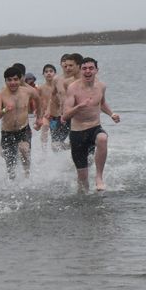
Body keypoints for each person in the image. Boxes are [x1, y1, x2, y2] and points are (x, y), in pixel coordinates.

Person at [61, 57, 120, 192]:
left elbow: (102, 103)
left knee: (102, 138)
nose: (88, 71)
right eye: (84, 68)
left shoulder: (101, 86)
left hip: (94, 127)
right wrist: (78, 107)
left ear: (96, 70)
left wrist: (112, 114)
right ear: (81, 70)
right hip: (77, 133)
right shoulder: (73, 88)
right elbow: (65, 115)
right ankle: (83, 201)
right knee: (82, 178)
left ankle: (99, 177)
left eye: (91, 68)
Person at [0, 66, 39, 178]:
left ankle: (27, 176)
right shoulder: (0, 95)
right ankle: (13, 183)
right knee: (10, 166)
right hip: (7, 132)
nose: (13, 83)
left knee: (24, 150)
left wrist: (39, 118)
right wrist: (5, 109)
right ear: (5, 81)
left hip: (24, 129)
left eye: (15, 79)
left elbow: (38, 99)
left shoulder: (27, 92)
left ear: (20, 79)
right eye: (9, 80)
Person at [39, 63, 67, 151]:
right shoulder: (41, 88)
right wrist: (38, 116)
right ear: (43, 74)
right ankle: (44, 151)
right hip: (47, 116)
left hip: (58, 116)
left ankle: (66, 148)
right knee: (45, 127)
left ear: (55, 73)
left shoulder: (60, 86)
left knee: (58, 142)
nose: (48, 73)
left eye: (51, 71)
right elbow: (38, 103)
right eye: (46, 72)